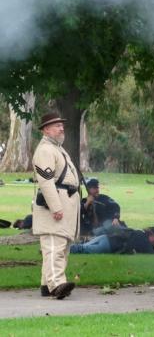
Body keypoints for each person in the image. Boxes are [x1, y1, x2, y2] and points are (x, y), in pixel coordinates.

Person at [32, 112, 81, 299]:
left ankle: (47, 284)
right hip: (56, 203)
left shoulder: (56, 148)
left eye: (61, 125)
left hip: (65, 200)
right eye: (56, 125)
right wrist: (56, 207)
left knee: (60, 245)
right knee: (54, 246)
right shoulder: (45, 150)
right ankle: (56, 285)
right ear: (46, 130)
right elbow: (46, 182)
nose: (61, 128)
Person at [70, 227, 154, 254]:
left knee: (81, 246)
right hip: (108, 245)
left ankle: (62, 249)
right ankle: (61, 251)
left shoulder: (139, 232)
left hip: (105, 237)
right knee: (81, 249)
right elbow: (149, 253)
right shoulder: (143, 239)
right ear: (153, 235)